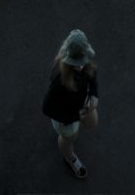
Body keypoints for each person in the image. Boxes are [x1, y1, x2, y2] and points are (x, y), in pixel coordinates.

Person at [42, 29, 99, 180]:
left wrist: (94, 94)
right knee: (68, 138)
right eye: (76, 64)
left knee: (92, 123)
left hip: (82, 105)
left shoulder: (84, 58)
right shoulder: (59, 79)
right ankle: (70, 158)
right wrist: (74, 116)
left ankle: (70, 139)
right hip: (66, 116)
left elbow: (92, 73)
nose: (81, 67)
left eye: (82, 62)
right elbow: (47, 108)